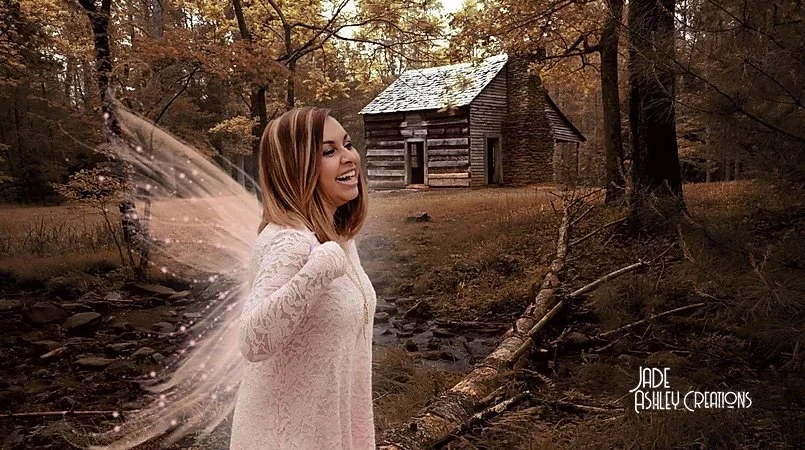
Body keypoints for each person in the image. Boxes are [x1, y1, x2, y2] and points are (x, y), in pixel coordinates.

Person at [229, 106, 376, 449]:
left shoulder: (337, 236)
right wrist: (317, 271)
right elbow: (253, 339)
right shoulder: (290, 240)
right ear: (296, 167)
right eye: (328, 151)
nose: (348, 158)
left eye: (347, 144)